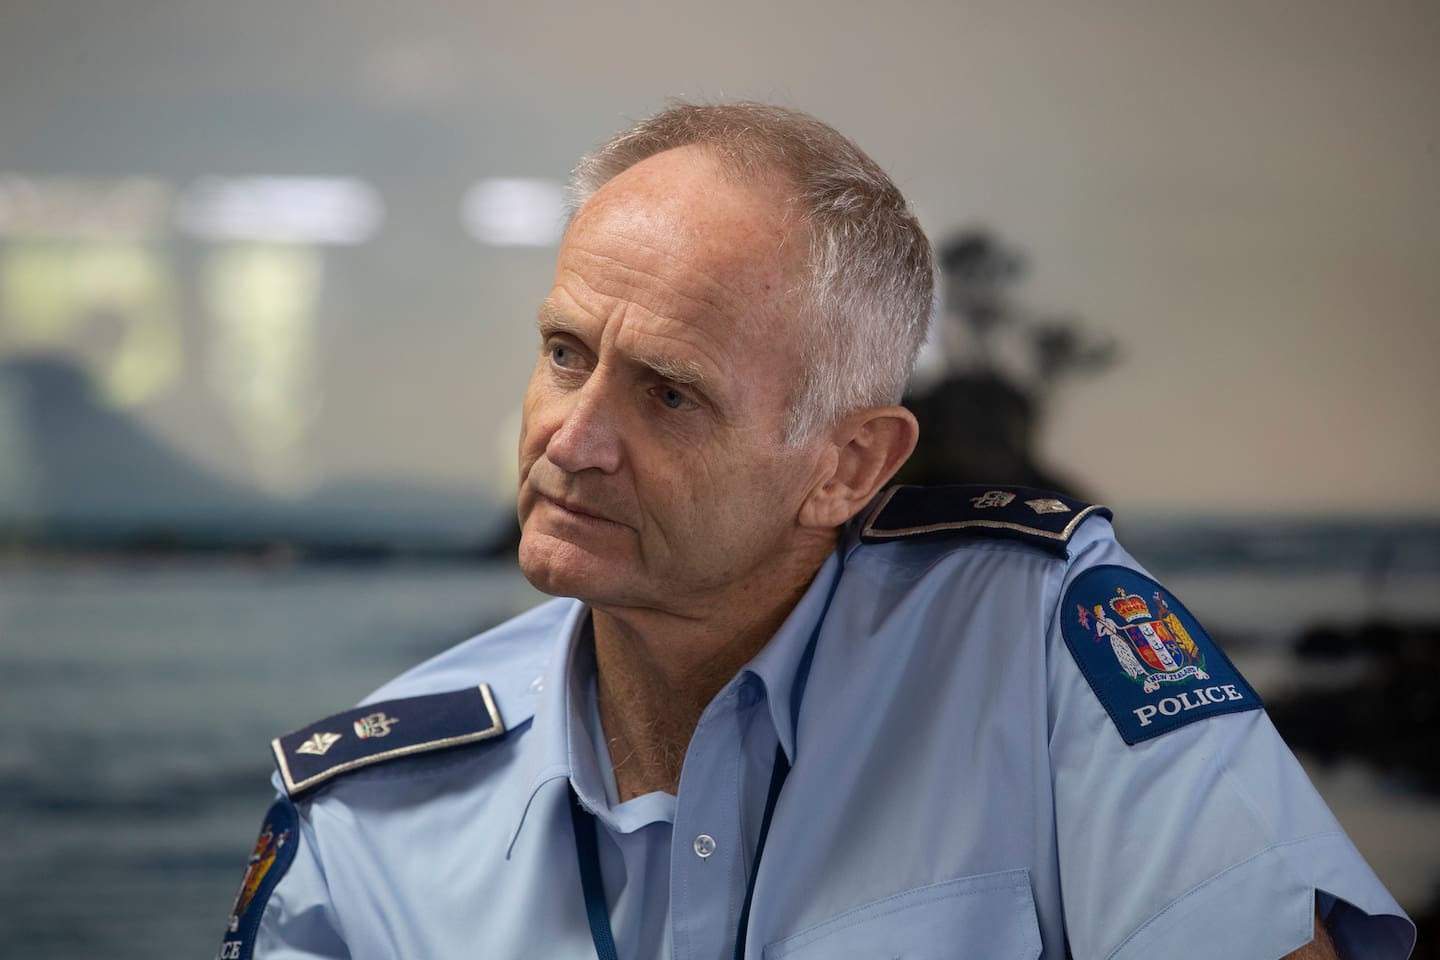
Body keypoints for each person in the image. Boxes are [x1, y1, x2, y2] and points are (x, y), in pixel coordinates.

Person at [219, 102, 1415, 960]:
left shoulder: (1035, 648)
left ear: (848, 466)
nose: (570, 438)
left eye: (668, 393)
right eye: (564, 355)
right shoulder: (368, 817)